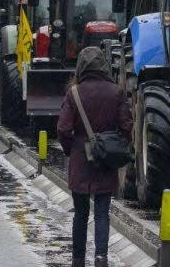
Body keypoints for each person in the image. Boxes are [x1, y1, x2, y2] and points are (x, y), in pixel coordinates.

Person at [57, 47, 131, 267]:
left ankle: (78, 259)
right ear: (103, 65)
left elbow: (63, 129)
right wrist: (114, 146)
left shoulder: (74, 93)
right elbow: (126, 126)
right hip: (105, 160)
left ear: (81, 66)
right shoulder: (116, 92)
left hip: (80, 160)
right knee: (102, 212)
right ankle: (101, 259)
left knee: (80, 213)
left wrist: (71, 149)